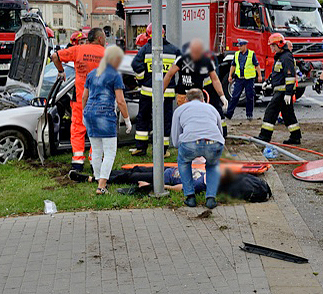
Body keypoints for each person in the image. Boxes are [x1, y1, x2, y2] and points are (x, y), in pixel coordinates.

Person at [51, 27, 106, 171]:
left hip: (80, 98)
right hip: (99, 99)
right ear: (100, 39)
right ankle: (95, 161)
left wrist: (61, 72)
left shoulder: (78, 50)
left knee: (77, 128)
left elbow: (55, 56)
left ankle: (77, 161)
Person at [81, 45, 132, 195]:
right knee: (110, 152)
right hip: (105, 115)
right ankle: (101, 186)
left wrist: (85, 114)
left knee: (96, 150)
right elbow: (121, 101)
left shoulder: (92, 74)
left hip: (90, 113)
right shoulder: (115, 75)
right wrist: (127, 120)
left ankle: (99, 179)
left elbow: (84, 97)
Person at [172, 88, 226, 209]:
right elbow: (220, 131)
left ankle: (190, 197)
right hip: (214, 142)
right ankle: (211, 198)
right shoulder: (211, 108)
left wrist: (180, 147)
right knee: (213, 165)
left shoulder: (180, 110)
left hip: (190, 143)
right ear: (203, 99)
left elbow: (175, 137)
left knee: (184, 162)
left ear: (186, 100)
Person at [130, 25, 180, 157]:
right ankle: (163, 150)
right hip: (167, 92)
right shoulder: (174, 50)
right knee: (165, 120)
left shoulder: (146, 49)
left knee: (144, 118)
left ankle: (141, 147)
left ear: (148, 35)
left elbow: (136, 65)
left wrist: (141, 80)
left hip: (148, 91)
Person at [69, 164, 236, 194]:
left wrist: (156, 186)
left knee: (130, 177)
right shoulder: (208, 175)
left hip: (162, 177)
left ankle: (91, 179)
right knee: (135, 170)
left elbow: (182, 188)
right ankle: (102, 174)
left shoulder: (202, 186)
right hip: (167, 169)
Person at [257, 33, 301, 144]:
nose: (271, 48)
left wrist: (288, 93)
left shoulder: (286, 58)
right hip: (280, 90)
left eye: (273, 45)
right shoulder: (281, 57)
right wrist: (268, 81)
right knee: (288, 115)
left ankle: (265, 136)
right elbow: (276, 73)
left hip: (282, 92)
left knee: (270, 112)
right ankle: (295, 137)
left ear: (279, 45)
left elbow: (290, 77)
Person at [162, 39, 227, 110]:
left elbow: (215, 79)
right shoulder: (182, 59)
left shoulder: (206, 61)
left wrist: (222, 96)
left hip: (198, 96)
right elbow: (169, 75)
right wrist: (161, 92)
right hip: (184, 95)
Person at [225, 39, 263, 120]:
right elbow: (233, 65)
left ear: (245, 45)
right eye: (238, 46)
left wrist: (259, 76)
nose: (239, 48)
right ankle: (229, 113)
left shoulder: (251, 54)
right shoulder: (237, 54)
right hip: (239, 79)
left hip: (249, 79)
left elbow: (257, 65)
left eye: (240, 46)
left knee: (250, 97)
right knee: (235, 96)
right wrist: (230, 75)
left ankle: (249, 114)